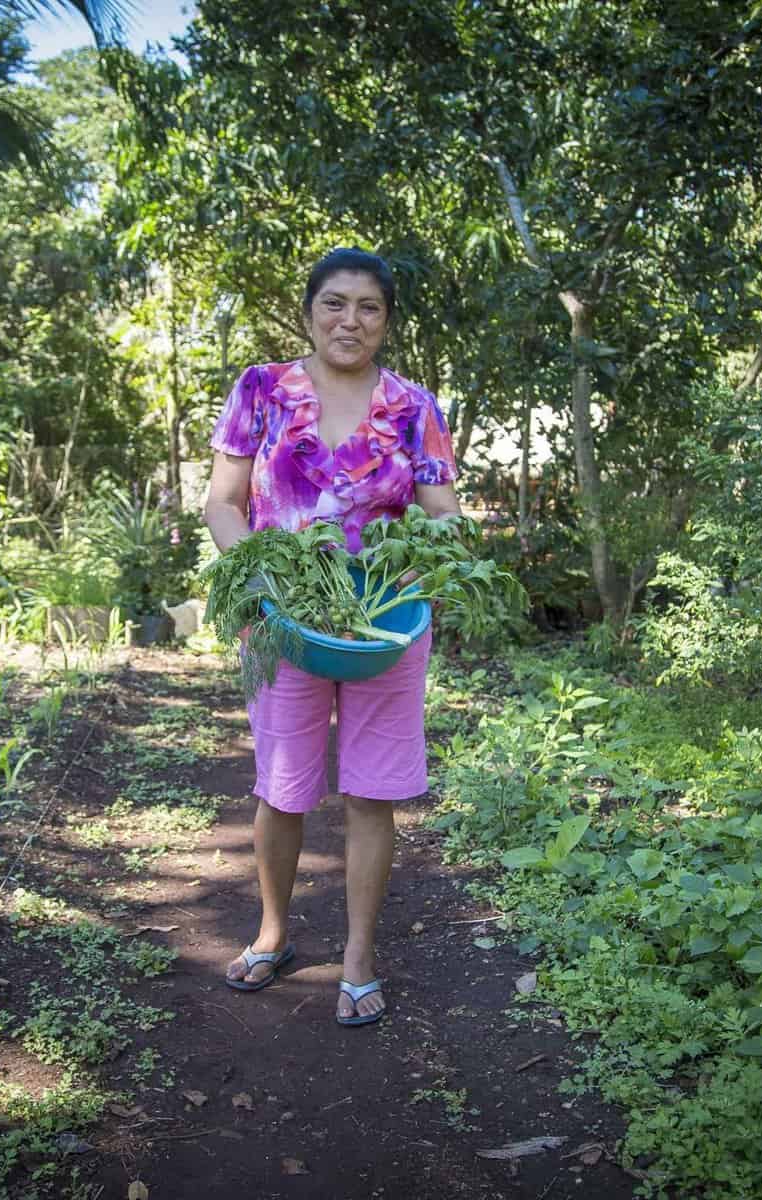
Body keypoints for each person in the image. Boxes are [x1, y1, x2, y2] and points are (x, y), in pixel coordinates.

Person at [202, 247, 461, 1026]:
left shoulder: (414, 405)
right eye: (335, 303)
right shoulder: (261, 389)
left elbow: (441, 513)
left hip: (382, 620)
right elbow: (223, 502)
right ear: (309, 310)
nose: (350, 320)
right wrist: (259, 576)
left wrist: (428, 567)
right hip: (282, 619)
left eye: (369, 307)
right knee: (282, 786)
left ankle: (356, 958)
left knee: (372, 791)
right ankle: (273, 933)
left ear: (386, 319)